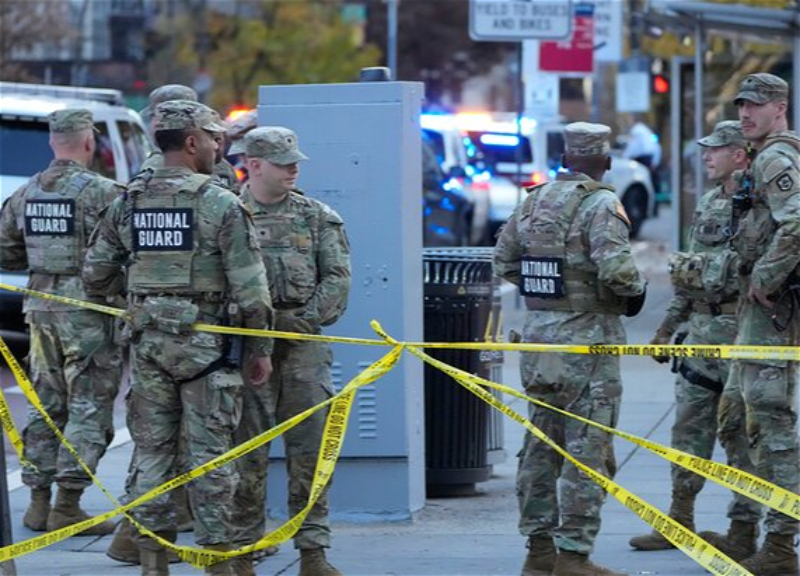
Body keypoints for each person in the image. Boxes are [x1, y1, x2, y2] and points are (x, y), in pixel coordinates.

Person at [82, 100, 274, 576]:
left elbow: (94, 274)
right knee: (211, 457)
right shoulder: (220, 203)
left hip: (148, 347)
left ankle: (152, 561)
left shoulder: (128, 200)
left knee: (151, 454)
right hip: (208, 349)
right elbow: (253, 294)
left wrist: (140, 296)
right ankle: (216, 563)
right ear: (191, 143)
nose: (219, 146)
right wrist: (260, 351)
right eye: (213, 138)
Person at [494, 122, 646, 576]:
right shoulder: (602, 203)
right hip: (588, 346)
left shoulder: (533, 200)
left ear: (563, 159)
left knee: (540, 446)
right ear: (605, 161)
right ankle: (574, 555)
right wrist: (633, 296)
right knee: (588, 450)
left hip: (539, 345)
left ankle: (538, 552)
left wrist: (548, 299)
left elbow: (503, 260)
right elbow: (617, 271)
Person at [628, 121, 763, 554]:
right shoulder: (706, 203)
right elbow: (688, 274)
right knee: (688, 431)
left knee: (740, 437)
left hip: (743, 333)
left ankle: (743, 532)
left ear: (739, 154)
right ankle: (678, 520)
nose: (706, 157)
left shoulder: (762, 205)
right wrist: (666, 329)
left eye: (716, 150)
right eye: (705, 150)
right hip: (701, 336)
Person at [230, 126, 351, 576]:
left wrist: (299, 321)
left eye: (295, 161)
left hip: (303, 352)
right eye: (283, 163)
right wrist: (256, 325)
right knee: (245, 454)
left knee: (311, 454)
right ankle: (242, 548)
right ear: (255, 165)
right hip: (244, 350)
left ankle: (313, 551)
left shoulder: (317, 217)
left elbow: (337, 280)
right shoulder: (228, 215)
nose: (294, 169)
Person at [0, 109, 124, 536]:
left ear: (53, 142)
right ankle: (67, 505)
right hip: (88, 314)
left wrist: (41, 262)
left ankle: (37, 503)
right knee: (89, 408)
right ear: (89, 142)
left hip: (39, 308)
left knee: (46, 404)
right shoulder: (104, 193)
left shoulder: (26, 192)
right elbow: (125, 255)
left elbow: (4, 252)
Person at [703, 73, 800, 575]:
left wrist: (767, 273)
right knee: (737, 420)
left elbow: (799, 220)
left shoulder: (775, 157)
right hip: (755, 312)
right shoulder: (766, 155)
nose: (746, 114)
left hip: (773, 311)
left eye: (756, 106)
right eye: (741, 105)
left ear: (780, 107)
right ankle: (745, 529)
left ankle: (781, 545)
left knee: (770, 425)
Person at [139, 84, 238, 190]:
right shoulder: (220, 164)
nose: (155, 123)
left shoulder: (156, 164)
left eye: (162, 118)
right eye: (156, 117)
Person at [623, 116, 662, 197]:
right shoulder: (646, 131)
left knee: (642, 182)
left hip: (642, 160)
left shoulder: (636, 130)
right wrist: (655, 161)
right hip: (650, 159)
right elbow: (656, 147)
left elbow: (633, 146)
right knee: (652, 185)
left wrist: (625, 157)